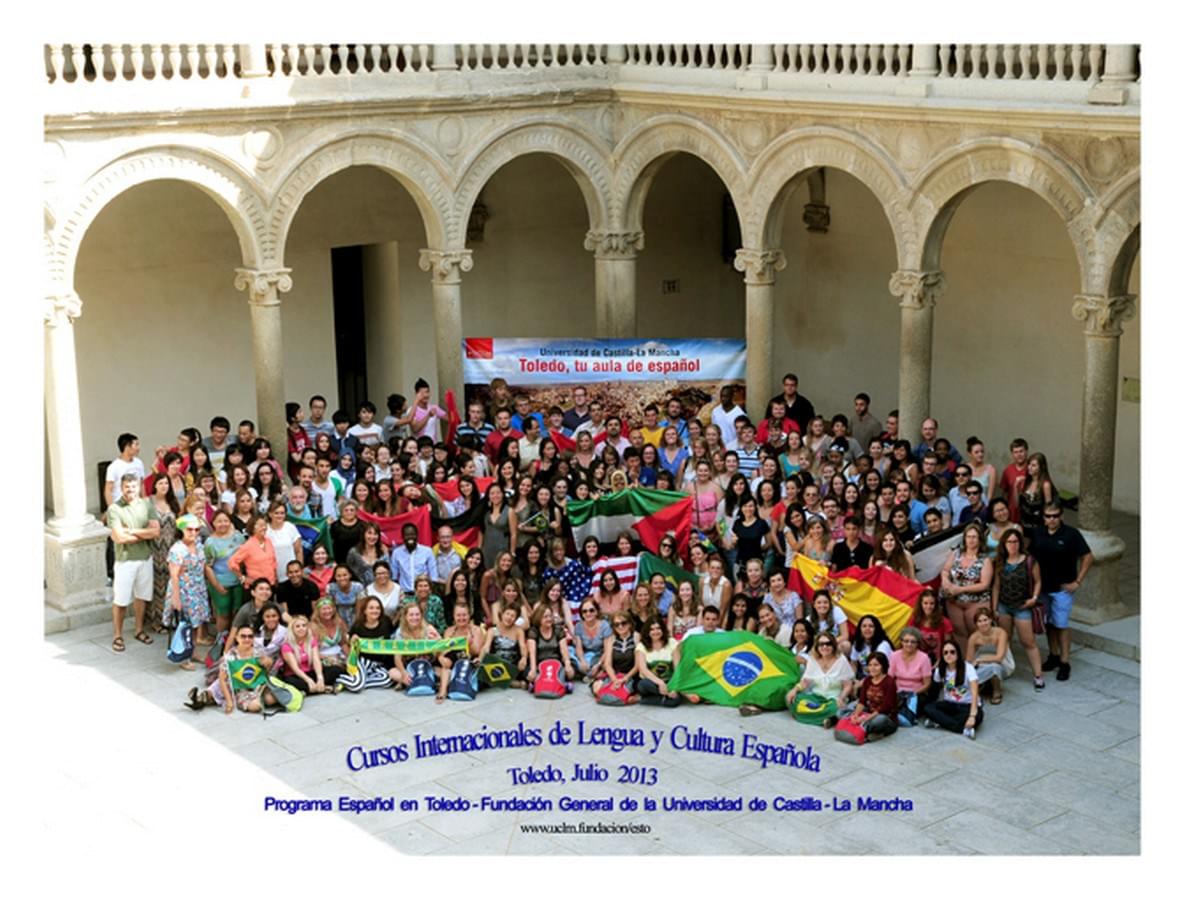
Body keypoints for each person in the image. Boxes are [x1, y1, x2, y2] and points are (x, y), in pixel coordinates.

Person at [1031, 502, 1093, 682]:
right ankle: (1054, 655)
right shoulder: (1038, 533)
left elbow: (1088, 556)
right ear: (1043, 517)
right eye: (1048, 516)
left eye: (1055, 516)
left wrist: (1078, 581)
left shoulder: (1071, 534)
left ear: (1061, 516)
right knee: (1049, 624)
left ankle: (1065, 662)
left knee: (1061, 625)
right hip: (1043, 588)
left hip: (1062, 589)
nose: (1052, 519)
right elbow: (1031, 557)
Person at [106, 473, 161, 653]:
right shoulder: (115, 509)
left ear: (139, 487)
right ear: (121, 488)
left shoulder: (146, 505)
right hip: (125, 560)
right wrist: (144, 533)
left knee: (142, 597)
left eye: (133, 486)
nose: (130, 490)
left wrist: (131, 531)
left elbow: (156, 532)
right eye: (127, 487)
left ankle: (138, 630)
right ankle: (117, 635)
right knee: (121, 600)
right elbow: (119, 538)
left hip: (145, 558)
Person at [992, 526, 1045, 689]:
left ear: (1020, 543)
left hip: (1022, 606)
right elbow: (996, 586)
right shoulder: (999, 562)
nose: (1012, 545)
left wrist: (1034, 598)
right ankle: (1005, 669)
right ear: (1004, 544)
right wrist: (994, 608)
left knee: (1028, 642)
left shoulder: (1029, 561)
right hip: (1004, 606)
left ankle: (1038, 675)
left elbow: (1038, 581)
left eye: (1015, 541)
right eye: (1009, 542)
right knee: (1004, 639)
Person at [941, 522, 994, 652]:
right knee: (959, 631)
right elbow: (945, 570)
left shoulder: (985, 559)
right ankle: (965, 659)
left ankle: (979, 659)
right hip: (954, 602)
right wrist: (946, 581)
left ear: (980, 539)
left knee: (976, 632)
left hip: (976, 602)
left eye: (974, 537)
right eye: (968, 536)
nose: (971, 540)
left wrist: (960, 589)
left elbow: (985, 584)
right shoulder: (956, 554)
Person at [166, 513, 212, 662]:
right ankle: (183, 657)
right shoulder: (177, 549)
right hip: (184, 590)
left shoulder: (198, 545)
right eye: (189, 529)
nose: (193, 532)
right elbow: (174, 575)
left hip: (198, 588)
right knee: (184, 624)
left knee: (195, 624)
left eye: (196, 529)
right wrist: (176, 598)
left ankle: (193, 653)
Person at [785, 632, 855, 728]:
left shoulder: (841, 660)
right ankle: (827, 718)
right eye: (821, 644)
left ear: (833, 645)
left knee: (835, 708)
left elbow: (848, 685)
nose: (824, 647)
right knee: (794, 699)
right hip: (816, 697)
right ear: (817, 646)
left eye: (828, 644)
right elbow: (806, 681)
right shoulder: (813, 659)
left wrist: (841, 698)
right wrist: (794, 690)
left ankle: (812, 716)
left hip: (833, 699)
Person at [923, 639, 982, 739]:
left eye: (952, 652)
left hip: (967, 705)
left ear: (958, 653)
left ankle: (940, 722)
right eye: (945, 653)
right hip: (950, 704)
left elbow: (975, 693)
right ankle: (963, 729)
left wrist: (972, 716)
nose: (949, 655)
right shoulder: (940, 670)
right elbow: (935, 688)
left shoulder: (968, 668)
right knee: (928, 708)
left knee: (978, 717)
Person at [339, 598, 397, 692]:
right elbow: (349, 640)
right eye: (371, 608)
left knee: (388, 681)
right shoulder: (358, 625)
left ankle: (356, 682)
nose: (375, 611)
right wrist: (352, 640)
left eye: (378, 608)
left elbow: (391, 641)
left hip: (378, 663)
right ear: (365, 611)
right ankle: (341, 680)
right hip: (362, 660)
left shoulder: (386, 622)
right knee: (356, 686)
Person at [203, 509, 246, 636]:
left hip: (238, 582)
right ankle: (221, 640)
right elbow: (208, 566)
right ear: (213, 523)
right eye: (219, 521)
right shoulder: (210, 543)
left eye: (226, 521)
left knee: (237, 613)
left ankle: (233, 639)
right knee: (223, 614)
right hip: (221, 583)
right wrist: (216, 585)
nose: (223, 524)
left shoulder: (238, 537)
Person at [843, 652, 899, 741]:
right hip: (869, 712)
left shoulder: (890, 682)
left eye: (876, 665)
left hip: (885, 717)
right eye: (870, 665)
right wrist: (856, 715)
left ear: (883, 666)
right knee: (843, 711)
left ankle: (865, 730)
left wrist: (865, 719)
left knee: (880, 720)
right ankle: (866, 730)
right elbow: (862, 701)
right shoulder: (867, 680)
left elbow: (885, 708)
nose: (872, 668)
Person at [277, 614, 333, 695]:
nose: (301, 628)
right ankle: (322, 688)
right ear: (292, 629)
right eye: (297, 626)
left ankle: (314, 688)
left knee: (335, 670)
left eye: (304, 625)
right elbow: (295, 668)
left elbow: (316, 661)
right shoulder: (286, 646)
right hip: (296, 675)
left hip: (310, 672)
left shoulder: (312, 641)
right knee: (291, 682)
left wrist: (320, 678)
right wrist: (308, 680)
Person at [591, 613, 640, 704]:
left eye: (623, 623)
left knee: (622, 693)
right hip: (615, 674)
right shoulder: (611, 639)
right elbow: (607, 664)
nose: (620, 626)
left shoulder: (636, 636)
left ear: (630, 624)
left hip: (631, 675)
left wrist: (624, 679)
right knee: (596, 688)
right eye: (616, 624)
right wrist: (614, 680)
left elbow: (638, 665)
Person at [967, 607, 1012, 704]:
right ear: (976, 624)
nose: (983, 623)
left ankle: (997, 691)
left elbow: (999, 658)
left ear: (990, 620)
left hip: (1001, 663)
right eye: (979, 621)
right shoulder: (973, 637)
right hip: (982, 664)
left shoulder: (1001, 633)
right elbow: (969, 660)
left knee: (994, 667)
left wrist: (980, 660)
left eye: (985, 620)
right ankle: (982, 684)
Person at [888, 626, 932, 724]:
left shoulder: (924, 658)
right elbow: (889, 678)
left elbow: (927, 684)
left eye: (913, 642)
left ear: (917, 643)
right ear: (901, 642)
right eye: (906, 641)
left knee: (913, 703)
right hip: (898, 691)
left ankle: (904, 717)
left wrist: (913, 693)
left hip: (917, 693)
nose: (909, 644)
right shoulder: (894, 656)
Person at [526, 605, 575, 692]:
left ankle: (563, 684)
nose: (549, 619)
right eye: (545, 617)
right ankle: (537, 684)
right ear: (539, 618)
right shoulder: (533, 631)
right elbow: (532, 653)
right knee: (529, 675)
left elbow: (564, 650)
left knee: (570, 673)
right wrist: (533, 669)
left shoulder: (558, 630)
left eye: (550, 616)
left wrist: (568, 665)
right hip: (539, 665)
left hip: (556, 664)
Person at [481, 604, 529, 689]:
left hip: (512, 664)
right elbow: (486, 647)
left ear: (516, 619)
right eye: (507, 614)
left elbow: (522, 646)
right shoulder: (493, 630)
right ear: (502, 614)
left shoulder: (518, 631)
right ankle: (513, 683)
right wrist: (480, 659)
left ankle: (500, 681)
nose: (509, 618)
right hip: (496, 664)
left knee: (527, 672)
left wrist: (524, 657)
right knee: (483, 671)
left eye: (512, 616)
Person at [635, 616, 680, 707]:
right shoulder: (641, 646)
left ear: (663, 629)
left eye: (658, 628)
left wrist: (674, 688)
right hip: (652, 682)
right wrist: (660, 683)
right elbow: (643, 670)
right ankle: (666, 696)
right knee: (643, 684)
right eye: (652, 629)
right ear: (647, 632)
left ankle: (643, 699)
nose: (655, 632)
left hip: (669, 681)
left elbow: (678, 669)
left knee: (674, 701)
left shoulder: (672, 642)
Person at [1017, 452, 1057, 544]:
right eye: (1029, 464)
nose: (1029, 467)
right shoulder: (1027, 481)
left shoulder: (1045, 485)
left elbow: (1048, 508)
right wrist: (1016, 487)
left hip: (1038, 525)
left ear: (1041, 467)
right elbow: (1019, 503)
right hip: (1024, 522)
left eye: (1033, 465)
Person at [389, 523, 438, 594]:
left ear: (417, 535)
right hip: (405, 594)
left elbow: (433, 577)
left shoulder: (427, 551)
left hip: (423, 593)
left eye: (412, 534)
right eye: (407, 535)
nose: (410, 537)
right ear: (402, 537)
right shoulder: (396, 553)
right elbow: (394, 578)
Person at [571, 599, 611, 680]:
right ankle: (588, 672)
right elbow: (579, 648)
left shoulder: (604, 625)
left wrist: (598, 664)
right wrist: (582, 661)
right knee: (569, 651)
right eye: (584, 611)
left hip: (599, 655)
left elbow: (607, 650)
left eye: (591, 610)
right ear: (581, 614)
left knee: (592, 663)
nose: (588, 613)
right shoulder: (578, 626)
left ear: (597, 611)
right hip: (585, 654)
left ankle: (586, 672)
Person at [264, 502, 302, 584]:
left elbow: (298, 551)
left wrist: (300, 570)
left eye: (282, 513)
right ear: (270, 514)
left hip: (292, 574)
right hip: (273, 574)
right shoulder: (265, 530)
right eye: (276, 513)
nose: (279, 515)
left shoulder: (290, 527)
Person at [848, 614, 892, 684]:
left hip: (880, 678)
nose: (867, 629)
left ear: (876, 629)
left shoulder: (883, 645)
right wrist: (852, 679)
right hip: (863, 676)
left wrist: (859, 684)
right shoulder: (857, 643)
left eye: (871, 626)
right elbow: (853, 663)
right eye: (864, 626)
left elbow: (879, 671)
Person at [808, 589, 850, 655]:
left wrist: (828, 643)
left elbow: (845, 636)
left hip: (834, 645)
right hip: (818, 648)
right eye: (819, 603)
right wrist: (822, 645)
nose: (822, 605)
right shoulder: (808, 620)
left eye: (825, 602)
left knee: (846, 645)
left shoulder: (837, 611)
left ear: (830, 604)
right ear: (814, 605)